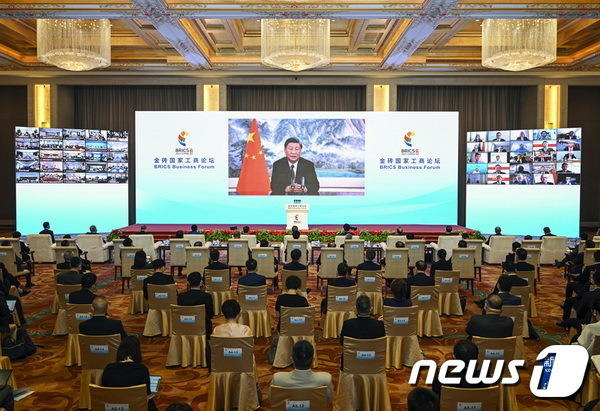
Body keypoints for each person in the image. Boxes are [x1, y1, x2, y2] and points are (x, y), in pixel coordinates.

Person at [101, 336, 157, 411]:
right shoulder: (142, 370)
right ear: (138, 352)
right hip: (136, 407)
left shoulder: (109, 369)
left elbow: (104, 391)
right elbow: (146, 395)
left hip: (113, 407)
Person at [177, 272, 214, 337]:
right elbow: (210, 315)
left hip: (185, 326)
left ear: (188, 283)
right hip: (202, 327)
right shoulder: (207, 297)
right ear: (201, 283)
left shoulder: (181, 297)